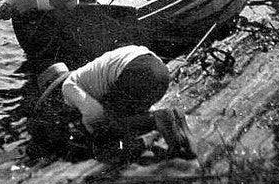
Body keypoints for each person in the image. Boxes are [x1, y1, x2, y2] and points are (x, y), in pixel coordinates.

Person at [37, 45, 195, 160]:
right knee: (130, 118)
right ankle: (178, 136)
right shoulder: (88, 76)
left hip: (135, 70)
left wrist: (92, 130)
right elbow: (135, 111)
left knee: (108, 124)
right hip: (158, 69)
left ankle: (159, 122)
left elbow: (95, 114)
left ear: (56, 90)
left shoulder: (68, 86)